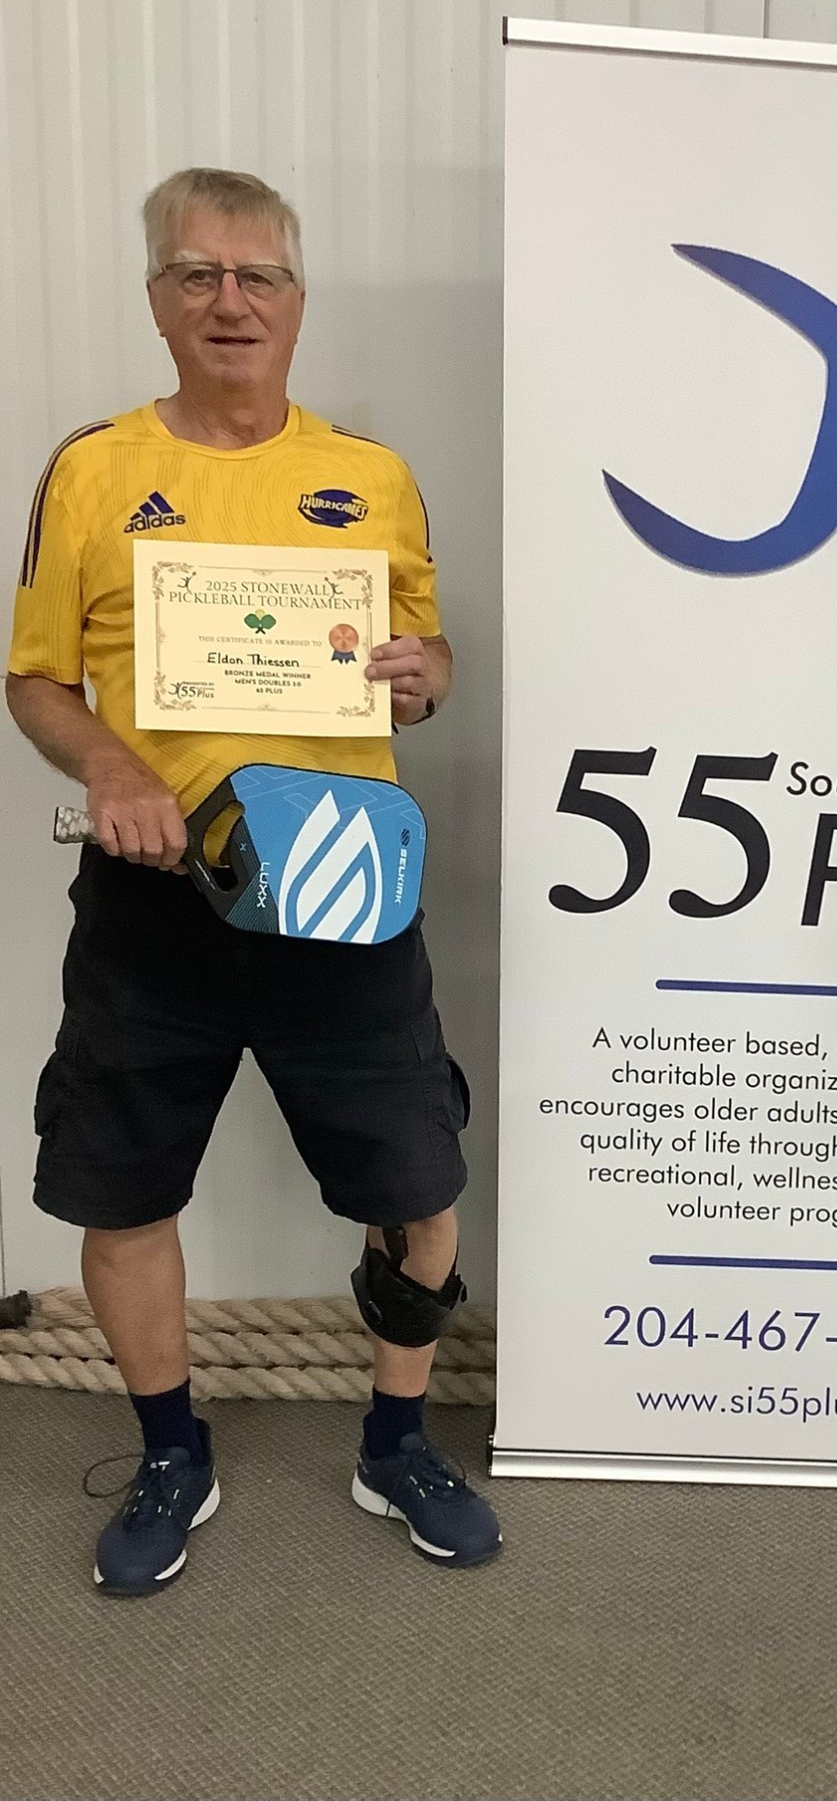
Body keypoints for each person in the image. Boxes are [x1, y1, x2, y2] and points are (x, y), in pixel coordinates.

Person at [7, 167, 501, 1594]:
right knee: (121, 1191)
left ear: (295, 298)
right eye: (198, 275)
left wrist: (424, 675)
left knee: (416, 1178)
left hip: (346, 886)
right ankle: (171, 1450)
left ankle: (396, 1441)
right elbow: (35, 678)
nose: (231, 301)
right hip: (154, 898)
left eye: (258, 276)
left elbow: (429, 657)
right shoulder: (92, 469)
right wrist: (113, 769)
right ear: (157, 298)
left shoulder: (372, 475)